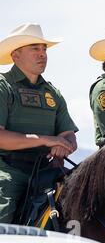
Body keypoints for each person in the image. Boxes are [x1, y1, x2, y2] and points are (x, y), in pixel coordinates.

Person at [0, 23, 78, 223]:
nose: (42, 54)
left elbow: (68, 133)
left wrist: (64, 145)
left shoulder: (52, 93)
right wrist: (47, 140)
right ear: (16, 55)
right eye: (35, 48)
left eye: (44, 49)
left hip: (47, 170)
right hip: (8, 171)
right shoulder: (4, 87)